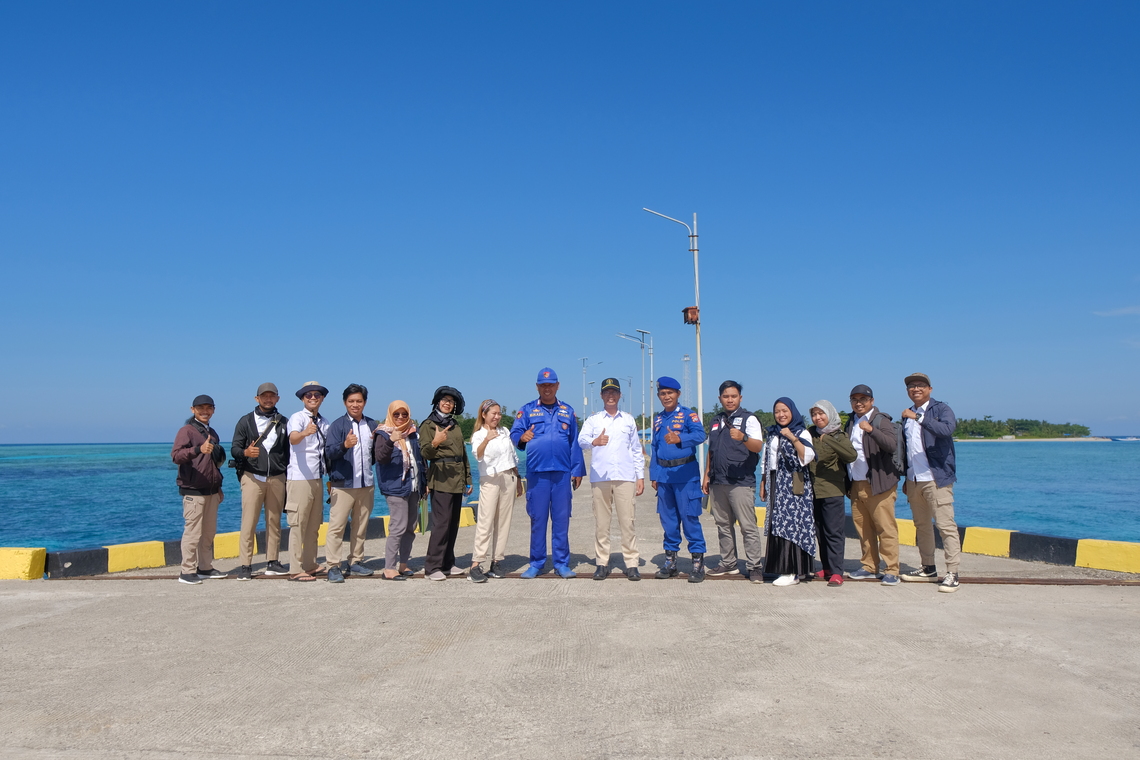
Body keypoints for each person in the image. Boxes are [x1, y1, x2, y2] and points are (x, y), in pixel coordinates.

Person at [510, 368, 585, 579]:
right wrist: (521, 437)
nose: (547, 388)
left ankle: (561, 563)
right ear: (537, 387)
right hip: (537, 474)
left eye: (551, 385)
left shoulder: (567, 411)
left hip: (562, 473)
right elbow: (515, 432)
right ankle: (536, 562)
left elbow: (574, 442)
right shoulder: (527, 410)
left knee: (561, 520)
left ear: (557, 386)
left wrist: (577, 470)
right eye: (543, 385)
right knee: (538, 519)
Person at [897, 372, 962, 593]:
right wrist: (906, 477)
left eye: (920, 385)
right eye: (911, 386)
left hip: (937, 478)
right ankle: (928, 568)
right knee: (922, 526)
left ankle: (952, 572)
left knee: (945, 526)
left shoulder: (941, 409)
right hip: (914, 480)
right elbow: (907, 449)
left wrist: (918, 418)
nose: (915, 389)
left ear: (930, 389)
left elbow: (947, 430)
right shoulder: (907, 415)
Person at [577, 378, 645, 581]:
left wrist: (640, 476)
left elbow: (636, 450)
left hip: (625, 477)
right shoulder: (594, 420)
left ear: (620, 395)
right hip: (601, 477)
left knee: (628, 522)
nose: (610, 395)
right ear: (601, 395)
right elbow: (581, 440)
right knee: (601, 523)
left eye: (614, 392)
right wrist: (594, 441)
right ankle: (602, 563)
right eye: (607, 392)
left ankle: (631, 563)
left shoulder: (628, 420)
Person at [703, 380, 765, 582]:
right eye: (726, 396)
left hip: (741, 481)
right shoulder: (715, 420)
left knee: (748, 526)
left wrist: (743, 437)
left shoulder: (749, 419)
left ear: (740, 398)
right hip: (717, 481)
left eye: (733, 396)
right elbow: (711, 450)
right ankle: (728, 563)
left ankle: (754, 566)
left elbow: (758, 446)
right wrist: (706, 474)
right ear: (720, 398)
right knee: (723, 525)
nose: (730, 400)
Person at [230, 382, 291, 581]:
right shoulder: (245, 421)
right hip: (252, 476)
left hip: (277, 477)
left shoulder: (284, 422)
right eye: (264, 396)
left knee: (274, 521)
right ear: (257, 398)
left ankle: (272, 561)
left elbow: (289, 452)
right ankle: (245, 565)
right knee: (249, 522)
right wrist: (245, 452)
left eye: (272, 396)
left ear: (277, 398)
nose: (268, 399)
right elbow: (235, 448)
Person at [650, 376, 708, 583]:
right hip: (664, 477)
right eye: (662, 394)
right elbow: (655, 448)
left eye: (670, 393)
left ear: (678, 394)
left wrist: (680, 438)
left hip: (685, 476)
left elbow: (701, 435)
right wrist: (654, 475)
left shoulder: (688, 415)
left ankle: (697, 564)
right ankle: (670, 562)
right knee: (668, 521)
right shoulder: (658, 419)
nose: (666, 397)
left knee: (690, 519)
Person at [844, 384, 901, 586]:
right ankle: (869, 566)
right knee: (863, 528)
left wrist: (871, 430)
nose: (858, 403)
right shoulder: (850, 422)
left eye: (863, 399)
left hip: (879, 483)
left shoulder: (880, 420)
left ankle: (892, 569)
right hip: (856, 483)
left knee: (885, 528)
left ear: (872, 401)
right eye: (854, 399)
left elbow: (891, 445)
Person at [323, 383, 378, 583]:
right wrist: (344, 445)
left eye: (359, 401)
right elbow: (329, 453)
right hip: (343, 485)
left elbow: (374, 455)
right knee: (337, 527)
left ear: (365, 402)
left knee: (360, 526)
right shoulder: (337, 425)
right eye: (351, 401)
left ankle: (355, 561)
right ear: (345, 402)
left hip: (366, 484)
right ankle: (333, 566)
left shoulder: (372, 425)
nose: (355, 405)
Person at [760, 398, 817, 586]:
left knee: (792, 524)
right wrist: (763, 482)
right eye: (777, 411)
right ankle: (787, 568)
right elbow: (766, 459)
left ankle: (791, 571)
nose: (781, 415)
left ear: (792, 411)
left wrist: (792, 438)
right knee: (778, 524)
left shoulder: (802, 432)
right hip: (776, 482)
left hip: (794, 484)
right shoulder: (773, 433)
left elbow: (807, 457)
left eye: (784, 410)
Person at [171, 394, 226, 585]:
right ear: (192, 410)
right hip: (193, 491)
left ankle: (205, 567)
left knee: (209, 532)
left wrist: (218, 487)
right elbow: (176, 456)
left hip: (211, 491)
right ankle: (187, 571)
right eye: (200, 408)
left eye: (208, 408)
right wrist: (197, 450)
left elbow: (213, 464)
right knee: (193, 532)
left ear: (213, 410)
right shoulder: (186, 431)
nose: (205, 411)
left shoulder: (212, 432)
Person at [419, 386, 472, 582]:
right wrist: (435, 442)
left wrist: (468, 479)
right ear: (437, 402)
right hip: (441, 477)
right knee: (441, 524)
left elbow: (463, 454)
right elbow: (424, 453)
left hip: (457, 477)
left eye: (451, 401)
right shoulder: (428, 424)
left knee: (452, 523)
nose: (447, 403)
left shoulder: (454, 424)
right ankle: (432, 566)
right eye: (444, 400)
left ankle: (448, 563)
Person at [469, 399, 523, 582]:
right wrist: (487, 439)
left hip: (508, 477)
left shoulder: (504, 431)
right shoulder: (478, 435)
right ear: (484, 414)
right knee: (485, 521)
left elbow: (512, 456)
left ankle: (497, 561)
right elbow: (478, 455)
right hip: (490, 480)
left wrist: (518, 479)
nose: (497, 417)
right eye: (494, 413)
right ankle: (476, 563)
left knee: (503, 522)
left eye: (499, 413)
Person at [374, 399, 425, 581]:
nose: (401, 417)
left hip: (413, 486)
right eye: (396, 414)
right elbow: (380, 458)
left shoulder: (412, 432)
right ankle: (389, 568)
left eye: (404, 414)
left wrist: (424, 482)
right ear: (390, 414)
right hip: (395, 487)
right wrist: (391, 441)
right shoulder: (383, 433)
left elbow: (419, 459)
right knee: (398, 527)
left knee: (411, 527)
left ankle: (403, 564)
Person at [807, 400, 857, 587]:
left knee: (834, 532)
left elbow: (851, 455)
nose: (817, 417)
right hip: (813, 489)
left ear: (829, 414)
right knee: (819, 531)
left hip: (832, 490)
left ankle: (837, 571)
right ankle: (826, 567)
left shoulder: (839, 435)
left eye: (821, 413)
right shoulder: (810, 433)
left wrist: (827, 439)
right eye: (814, 414)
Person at [285, 381, 331, 582]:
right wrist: (305, 432)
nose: (313, 398)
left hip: (317, 478)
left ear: (322, 398)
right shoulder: (298, 417)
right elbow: (293, 438)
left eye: (317, 395)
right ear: (303, 398)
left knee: (313, 524)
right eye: (308, 395)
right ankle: (295, 569)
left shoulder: (324, 422)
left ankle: (310, 564)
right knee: (298, 525)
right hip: (299, 479)